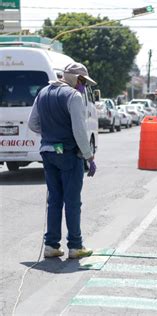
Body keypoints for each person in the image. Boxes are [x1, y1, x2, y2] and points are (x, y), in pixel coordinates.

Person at [28, 62, 97, 259]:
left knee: (54, 200)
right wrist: (89, 157)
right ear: (76, 79)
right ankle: (75, 246)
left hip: (48, 151)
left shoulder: (43, 93)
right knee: (72, 201)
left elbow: (33, 123)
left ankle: (51, 246)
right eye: (83, 81)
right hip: (68, 153)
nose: (84, 86)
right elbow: (79, 130)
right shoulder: (73, 96)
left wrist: (51, 135)